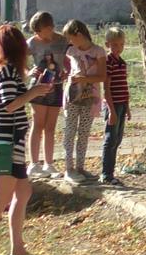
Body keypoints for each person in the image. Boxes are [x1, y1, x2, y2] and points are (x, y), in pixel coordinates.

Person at [0, 24, 52, 255]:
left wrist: (31, 86)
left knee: (23, 192)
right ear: (16, 47)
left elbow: (12, 99)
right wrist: (34, 91)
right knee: (1, 199)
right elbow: (10, 105)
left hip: (7, 142)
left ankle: (17, 248)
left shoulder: (3, 70)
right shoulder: (6, 71)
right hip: (4, 141)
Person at [25, 11, 69, 179]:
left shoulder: (62, 41)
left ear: (49, 27)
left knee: (50, 127)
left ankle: (48, 164)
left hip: (56, 86)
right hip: (38, 87)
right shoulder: (31, 43)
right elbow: (20, 59)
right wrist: (29, 71)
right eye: (35, 31)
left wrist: (66, 72)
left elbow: (68, 60)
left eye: (40, 30)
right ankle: (34, 164)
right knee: (38, 124)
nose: (37, 34)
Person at [62, 19, 107, 184]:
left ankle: (80, 167)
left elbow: (102, 76)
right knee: (70, 131)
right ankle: (69, 168)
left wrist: (85, 79)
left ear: (79, 34)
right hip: (72, 97)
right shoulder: (70, 51)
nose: (70, 42)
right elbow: (66, 69)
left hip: (90, 98)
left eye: (71, 38)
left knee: (84, 132)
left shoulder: (99, 51)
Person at [101, 27, 132, 185]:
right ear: (108, 44)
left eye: (121, 44)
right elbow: (106, 88)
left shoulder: (122, 62)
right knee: (110, 138)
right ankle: (106, 174)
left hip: (121, 104)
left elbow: (124, 86)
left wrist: (127, 106)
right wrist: (111, 111)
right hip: (112, 105)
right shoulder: (108, 62)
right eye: (114, 45)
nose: (118, 48)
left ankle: (110, 172)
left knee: (118, 138)